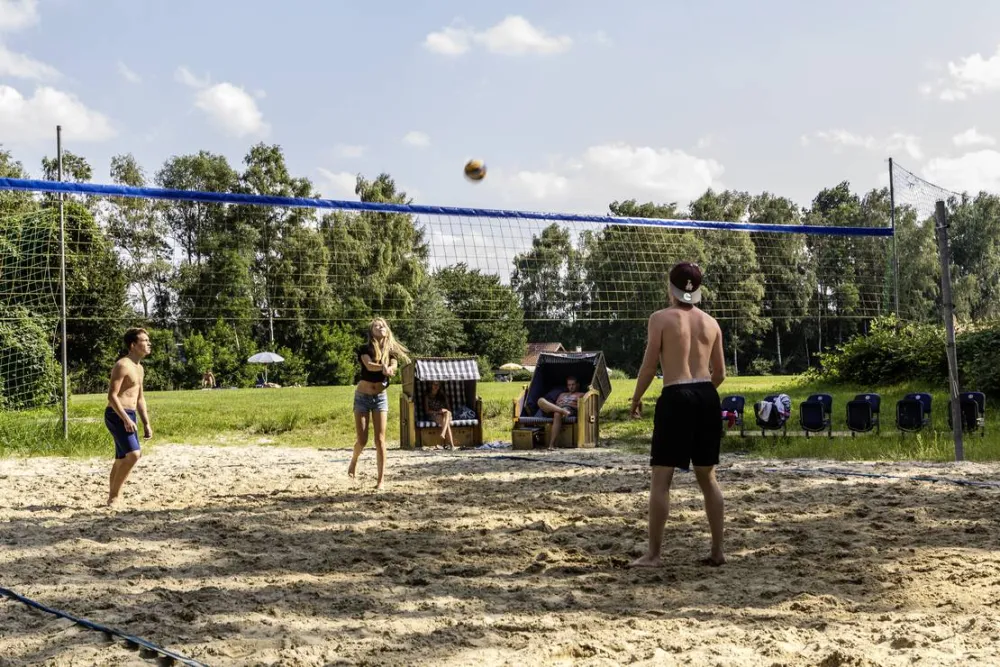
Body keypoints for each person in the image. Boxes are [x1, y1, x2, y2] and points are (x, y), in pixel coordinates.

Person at [628, 262, 727, 568]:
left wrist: (636, 399)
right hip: (707, 396)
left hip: (676, 395)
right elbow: (720, 374)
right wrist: (700, 395)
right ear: (697, 290)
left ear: (669, 287)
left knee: (662, 478)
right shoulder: (711, 323)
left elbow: (649, 367)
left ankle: (654, 555)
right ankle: (717, 552)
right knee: (708, 477)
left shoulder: (660, 318)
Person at [348, 317, 409, 489]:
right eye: (376, 326)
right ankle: (354, 460)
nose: (380, 327)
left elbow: (394, 365)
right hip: (362, 396)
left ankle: (380, 480)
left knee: (380, 440)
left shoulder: (391, 351)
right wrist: (383, 367)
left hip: (380, 398)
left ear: (387, 330)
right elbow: (369, 365)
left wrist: (391, 369)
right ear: (371, 331)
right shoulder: (365, 348)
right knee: (362, 440)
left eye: (383, 325)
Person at [104, 327, 153, 507]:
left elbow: (140, 398)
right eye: (144, 341)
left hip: (129, 414)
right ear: (133, 345)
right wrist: (125, 418)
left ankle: (113, 495)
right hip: (117, 414)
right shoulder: (122, 365)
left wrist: (146, 423)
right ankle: (114, 497)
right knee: (133, 455)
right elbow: (112, 396)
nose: (149, 343)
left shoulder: (139, 368)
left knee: (121, 458)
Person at [536, 375, 586, 449]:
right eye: (569, 385)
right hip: (558, 409)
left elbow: (582, 406)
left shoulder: (581, 394)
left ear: (577, 385)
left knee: (557, 414)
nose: (571, 387)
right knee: (540, 400)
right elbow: (557, 403)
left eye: (573, 384)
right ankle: (562, 411)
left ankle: (551, 445)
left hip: (569, 409)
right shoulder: (562, 394)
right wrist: (557, 408)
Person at [422, 381, 455, 450]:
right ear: (431, 385)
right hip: (434, 414)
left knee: (447, 413)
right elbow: (427, 411)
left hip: (445, 414)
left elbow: (449, 409)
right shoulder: (427, 396)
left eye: (438, 385)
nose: (436, 386)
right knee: (445, 421)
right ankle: (452, 445)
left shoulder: (443, 395)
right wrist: (438, 412)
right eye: (434, 384)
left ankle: (443, 434)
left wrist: (444, 410)